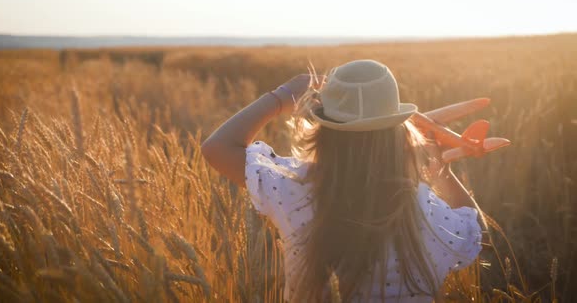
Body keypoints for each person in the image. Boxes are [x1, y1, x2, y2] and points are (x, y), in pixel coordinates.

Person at [201, 59, 483, 302]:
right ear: (398, 135)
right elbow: (476, 232)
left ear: (322, 132)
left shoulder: (294, 190)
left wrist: (282, 96)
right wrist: (441, 167)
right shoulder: (424, 210)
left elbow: (217, 148)